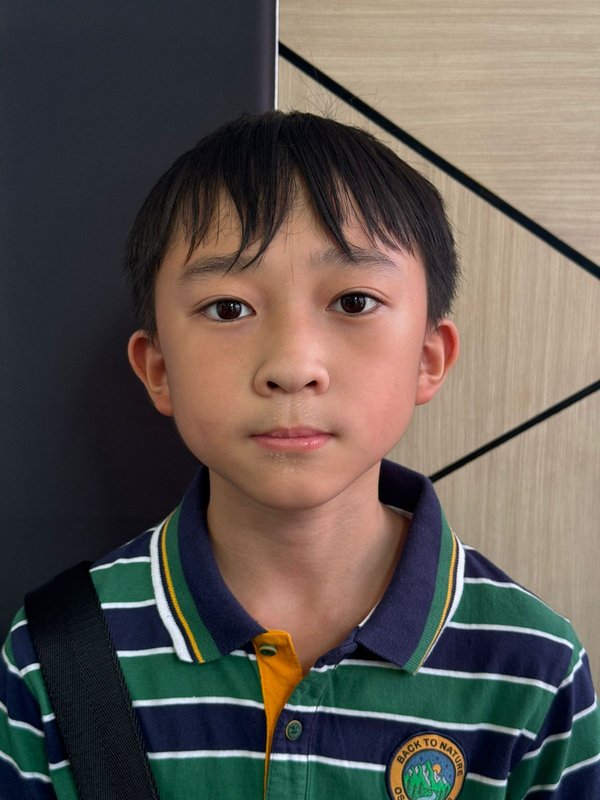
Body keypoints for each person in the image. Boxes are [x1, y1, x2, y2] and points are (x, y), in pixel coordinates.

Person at [1, 111, 598, 799]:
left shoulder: (532, 667)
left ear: (428, 359)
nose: (292, 367)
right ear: (158, 369)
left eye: (354, 301)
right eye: (228, 309)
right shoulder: (53, 654)